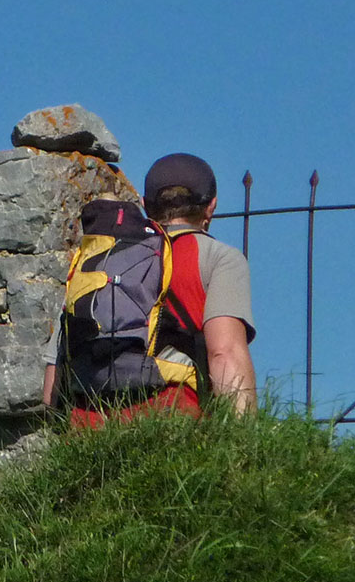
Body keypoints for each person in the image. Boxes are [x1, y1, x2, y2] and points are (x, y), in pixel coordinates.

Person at [42, 152, 258, 423]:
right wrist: (246, 443)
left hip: (87, 430)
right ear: (211, 207)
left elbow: (53, 382)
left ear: (146, 206)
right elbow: (225, 353)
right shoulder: (217, 257)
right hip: (171, 421)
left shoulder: (99, 258)